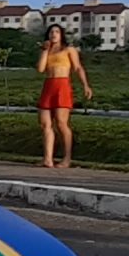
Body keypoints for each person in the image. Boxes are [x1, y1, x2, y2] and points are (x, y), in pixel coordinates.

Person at [34, 24, 94, 168]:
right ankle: (48, 158)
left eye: (57, 32)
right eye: (51, 32)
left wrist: (85, 85)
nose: (53, 35)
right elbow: (41, 69)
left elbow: (78, 67)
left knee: (61, 123)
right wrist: (44, 50)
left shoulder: (69, 49)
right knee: (45, 123)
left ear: (61, 35)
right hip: (49, 85)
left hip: (62, 85)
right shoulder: (47, 50)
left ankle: (67, 158)